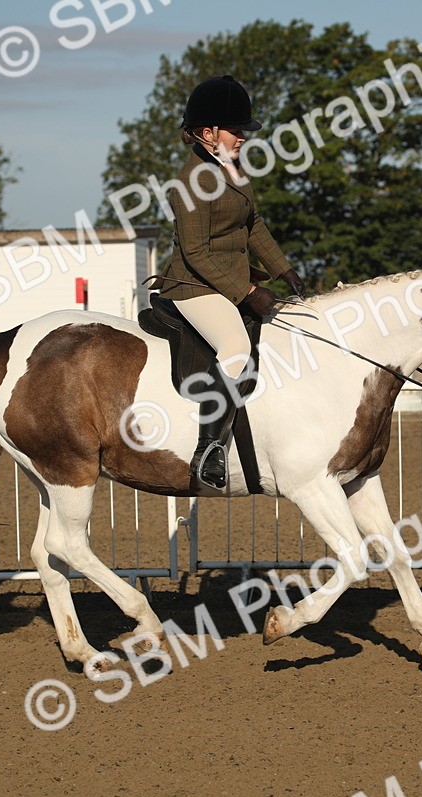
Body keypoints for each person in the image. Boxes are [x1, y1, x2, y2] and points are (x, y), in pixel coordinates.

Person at [149, 75, 308, 491]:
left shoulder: (232, 171)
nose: (242, 138)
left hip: (226, 282)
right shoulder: (188, 184)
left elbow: (254, 225)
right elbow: (197, 253)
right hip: (193, 286)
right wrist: (251, 293)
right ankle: (208, 451)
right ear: (207, 133)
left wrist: (285, 269)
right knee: (236, 347)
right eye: (235, 130)